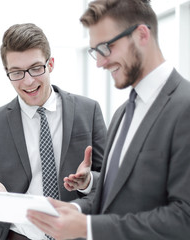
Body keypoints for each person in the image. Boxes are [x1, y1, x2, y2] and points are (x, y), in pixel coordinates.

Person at [26, 0, 190, 239]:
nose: (100, 62)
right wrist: (74, 210)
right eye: (95, 51)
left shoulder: (184, 107)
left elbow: (184, 218)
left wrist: (87, 228)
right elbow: (119, 199)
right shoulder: (122, 112)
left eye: (106, 48)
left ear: (141, 35)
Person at [0, 23, 107, 240]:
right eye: (17, 72)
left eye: (36, 68)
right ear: (7, 73)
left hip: (77, 234)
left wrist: (89, 182)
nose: (28, 81)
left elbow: (110, 186)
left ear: (51, 64)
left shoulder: (88, 111)